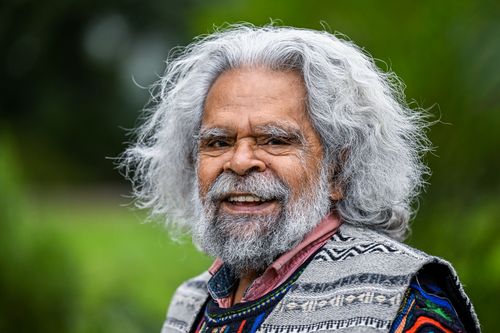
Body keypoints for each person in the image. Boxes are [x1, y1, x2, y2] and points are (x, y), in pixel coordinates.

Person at [121, 25, 480, 333]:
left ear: (338, 171)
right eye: (218, 142)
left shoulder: (403, 299)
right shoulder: (190, 303)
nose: (241, 161)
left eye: (274, 140)